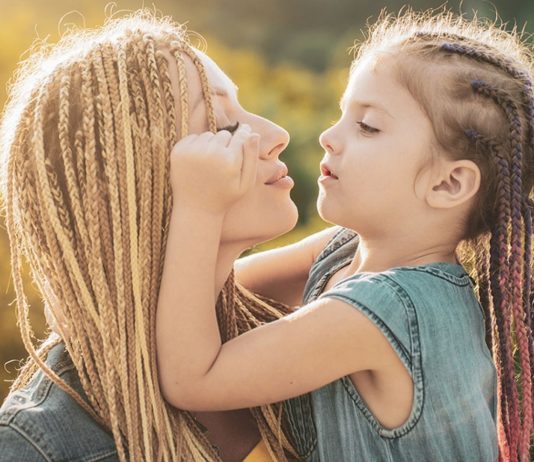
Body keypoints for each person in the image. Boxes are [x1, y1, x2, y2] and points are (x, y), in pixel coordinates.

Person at [156, 9, 534, 462]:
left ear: (447, 184)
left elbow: (191, 379)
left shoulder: (384, 308)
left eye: (368, 126)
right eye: (341, 115)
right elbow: (227, 292)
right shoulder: (348, 248)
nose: (329, 137)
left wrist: (199, 205)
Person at [0, 10, 318, 461]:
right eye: (224, 128)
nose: (276, 134)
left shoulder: (292, 328)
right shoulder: (41, 446)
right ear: (129, 184)